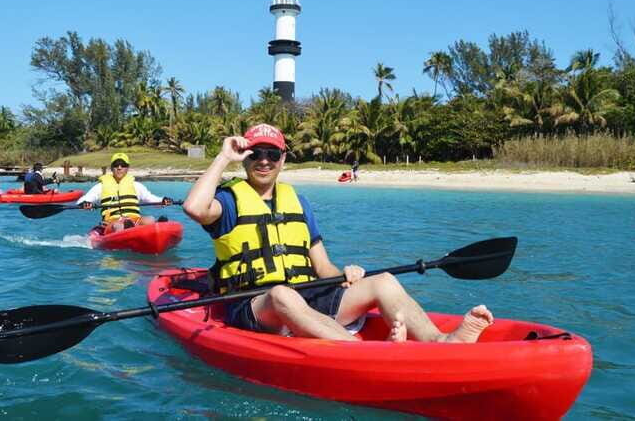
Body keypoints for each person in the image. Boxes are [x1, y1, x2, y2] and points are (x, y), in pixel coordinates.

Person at [183, 123, 494, 343]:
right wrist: (224, 156)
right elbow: (195, 208)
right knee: (281, 294)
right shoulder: (228, 199)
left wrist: (346, 274)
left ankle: (438, 341)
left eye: (272, 154)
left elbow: (322, 268)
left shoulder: (297, 202)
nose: (263, 161)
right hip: (253, 304)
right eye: (255, 154)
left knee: (383, 281)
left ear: (283, 159)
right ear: (245, 158)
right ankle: (360, 353)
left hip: (306, 298)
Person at [77, 152, 173, 232]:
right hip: (112, 223)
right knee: (118, 226)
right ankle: (128, 229)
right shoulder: (100, 187)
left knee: (150, 219)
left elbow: (151, 198)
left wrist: (163, 200)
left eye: (123, 165)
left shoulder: (136, 185)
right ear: (111, 168)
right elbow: (83, 200)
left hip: (134, 220)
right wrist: (85, 204)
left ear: (127, 168)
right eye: (116, 165)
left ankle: (158, 227)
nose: (119, 168)